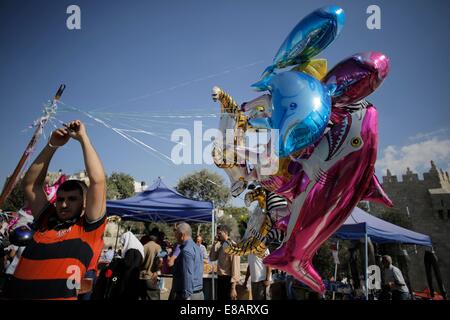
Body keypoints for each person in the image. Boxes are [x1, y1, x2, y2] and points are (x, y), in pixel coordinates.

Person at [7, 120, 107, 300]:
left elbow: (98, 182)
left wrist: (83, 138)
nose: (64, 204)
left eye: (72, 199)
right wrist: (52, 145)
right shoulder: (46, 220)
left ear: (84, 203)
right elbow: (30, 185)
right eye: (60, 199)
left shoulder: (87, 229)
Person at [172, 222, 204, 300]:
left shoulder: (186, 251)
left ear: (182, 235)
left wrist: (187, 296)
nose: (175, 237)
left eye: (176, 234)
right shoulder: (197, 248)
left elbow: (188, 275)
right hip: (198, 293)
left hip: (190, 295)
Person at [209, 224, 241, 300]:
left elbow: (235, 267)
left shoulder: (232, 245)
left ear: (226, 233)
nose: (218, 236)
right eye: (217, 233)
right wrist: (214, 244)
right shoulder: (221, 245)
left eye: (219, 233)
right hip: (220, 279)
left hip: (228, 280)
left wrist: (233, 288)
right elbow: (212, 258)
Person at [119, 229, 145, 300]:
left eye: (124, 242)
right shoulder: (139, 248)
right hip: (135, 275)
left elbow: (127, 264)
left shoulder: (130, 250)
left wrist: (121, 260)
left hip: (128, 278)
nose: (124, 244)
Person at [140, 234, 162, 300]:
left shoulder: (144, 246)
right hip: (152, 276)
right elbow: (160, 261)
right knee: (154, 297)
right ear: (156, 239)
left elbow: (140, 261)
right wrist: (156, 271)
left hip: (142, 276)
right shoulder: (158, 247)